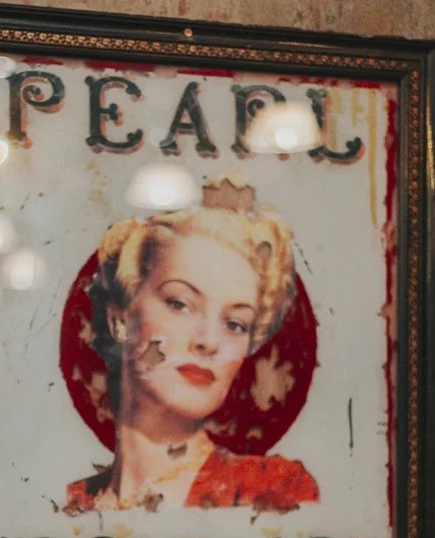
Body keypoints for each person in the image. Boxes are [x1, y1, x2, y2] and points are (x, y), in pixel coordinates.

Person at [64, 174, 319, 513]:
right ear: (121, 319)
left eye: (234, 324)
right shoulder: (66, 506)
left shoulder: (273, 492)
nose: (209, 342)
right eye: (180, 304)